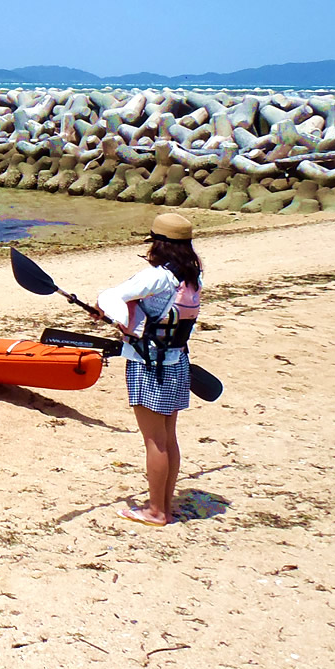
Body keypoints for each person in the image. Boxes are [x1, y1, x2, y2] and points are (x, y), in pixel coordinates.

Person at [97, 212, 203, 527]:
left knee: (155, 441)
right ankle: (165, 506)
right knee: (168, 437)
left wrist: (112, 312)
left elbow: (113, 296)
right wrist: (123, 315)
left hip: (150, 367)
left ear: (159, 244)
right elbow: (154, 313)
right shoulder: (191, 277)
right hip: (177, 361)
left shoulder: (156, 277)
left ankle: (156, 511)